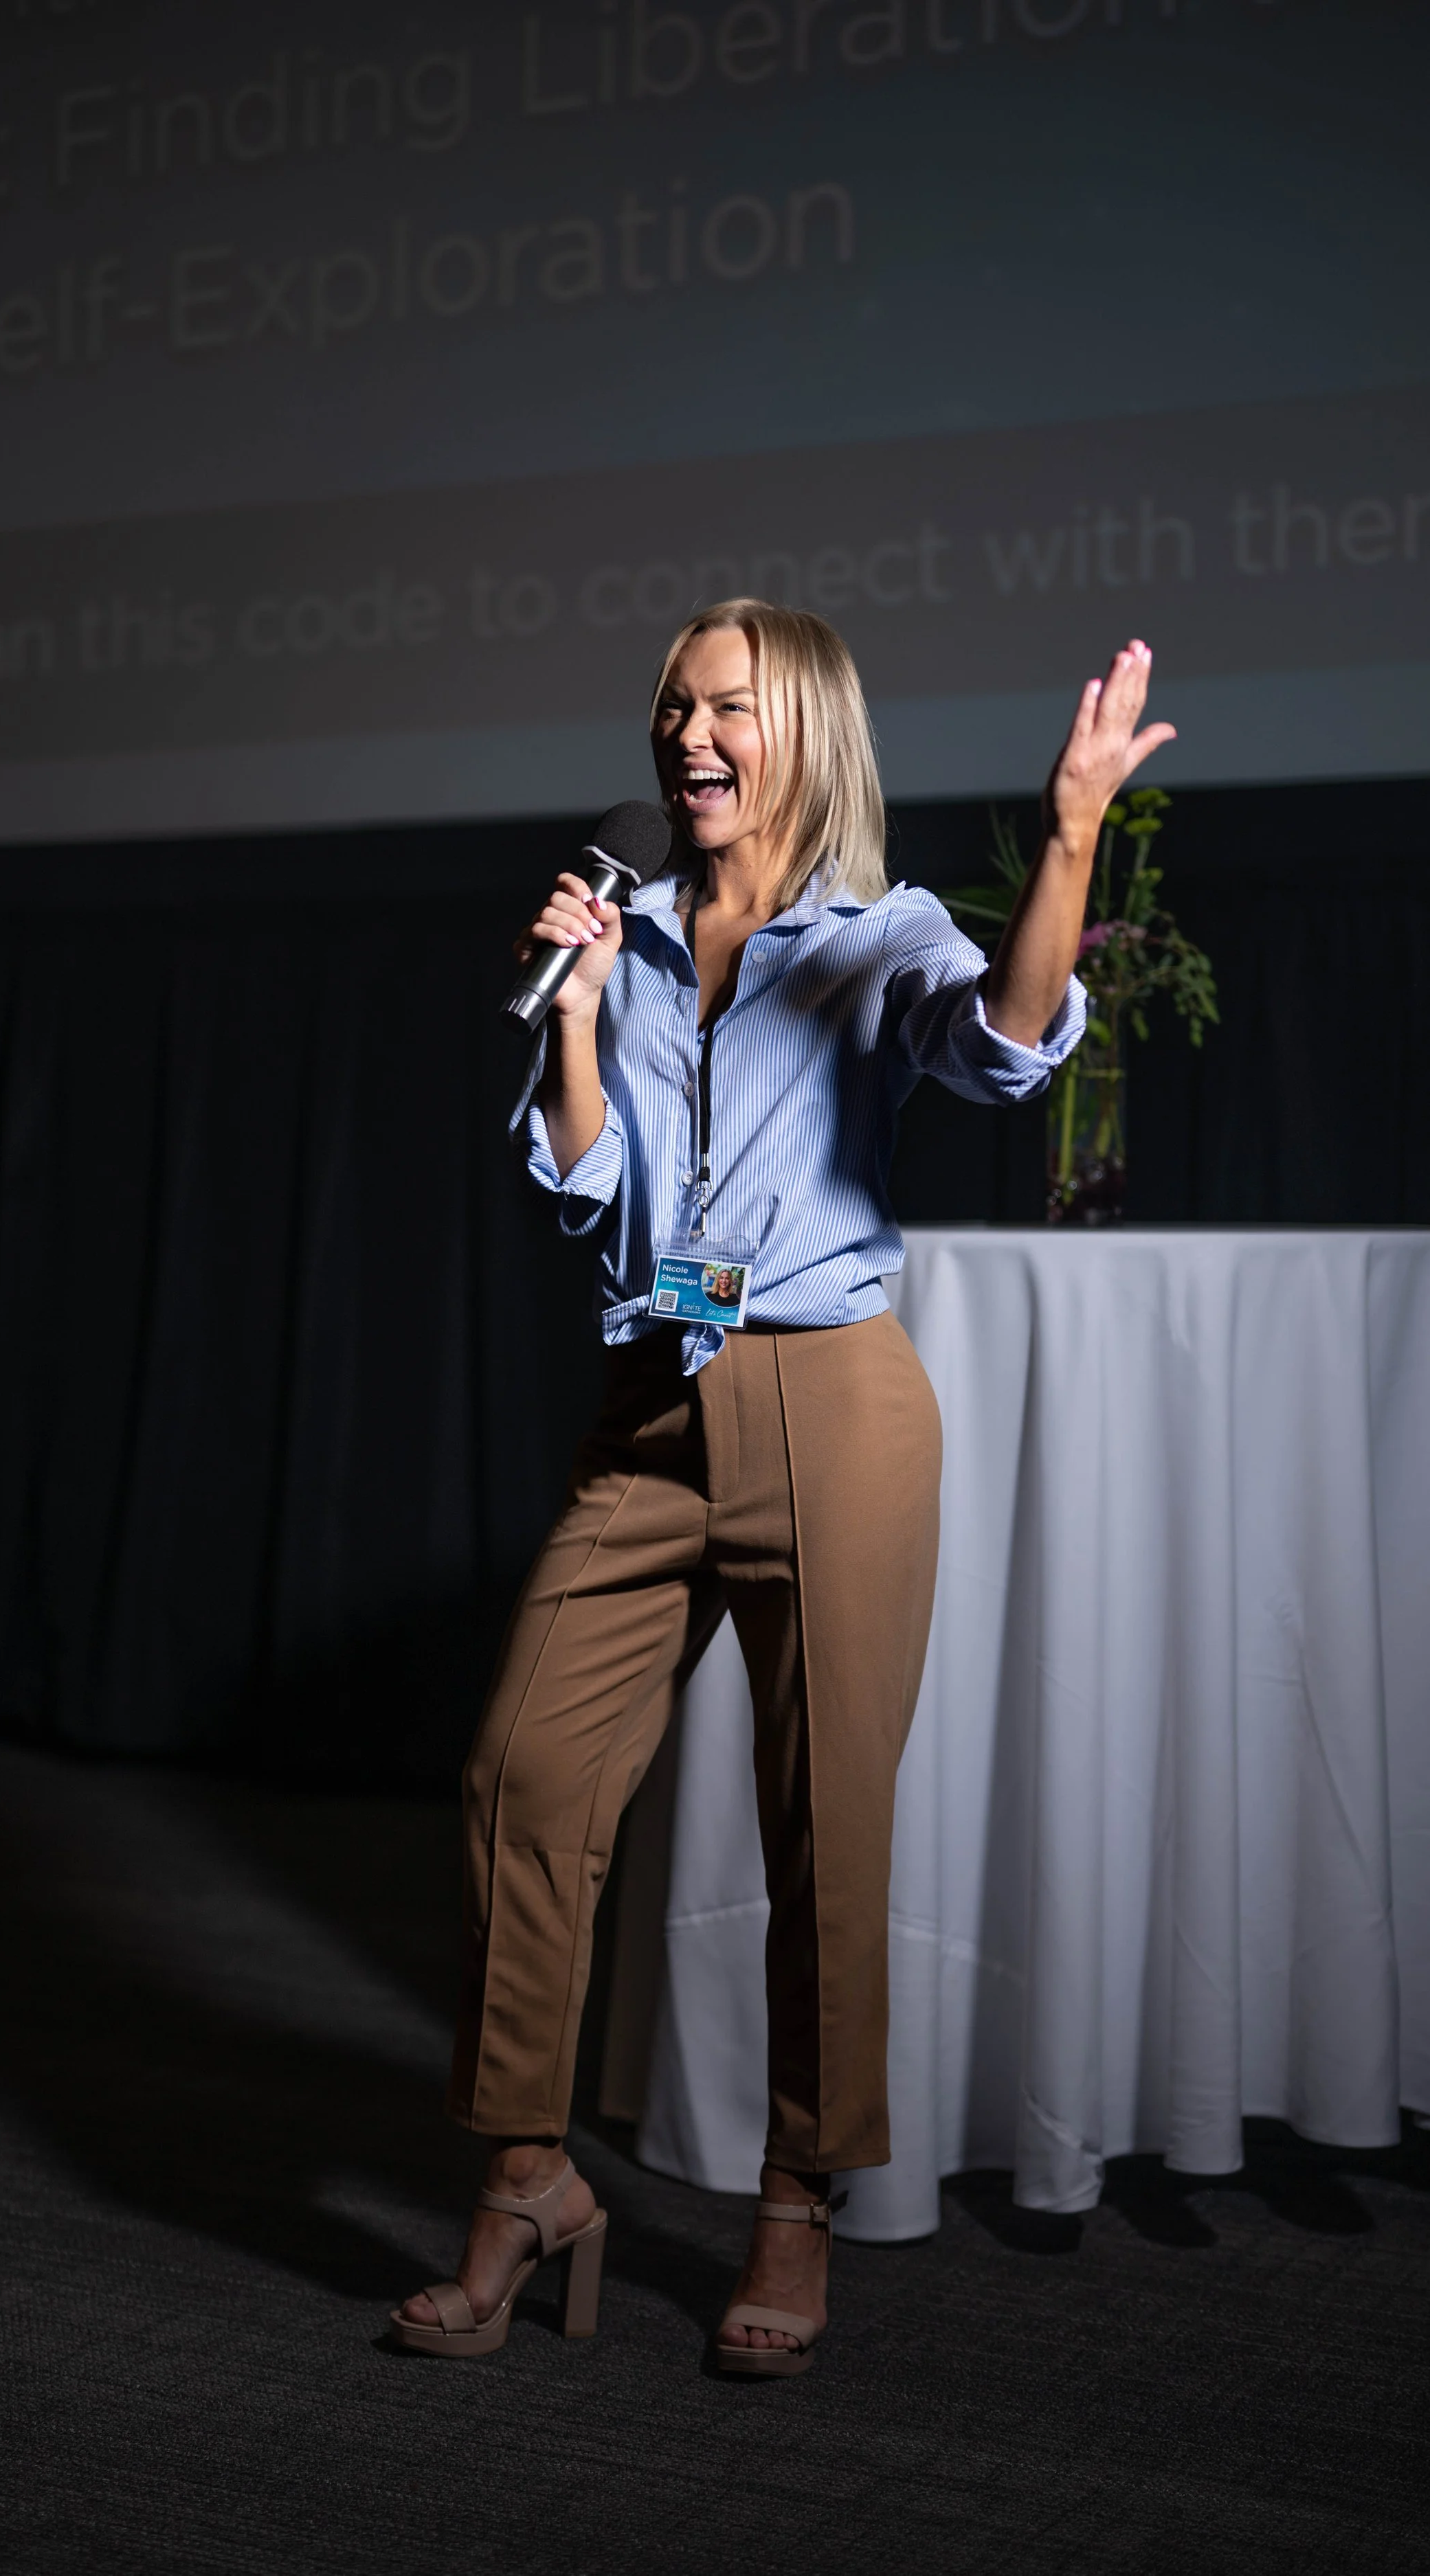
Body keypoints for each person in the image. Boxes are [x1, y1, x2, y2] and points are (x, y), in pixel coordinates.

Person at [392, 601, 1174, 2373]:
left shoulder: (876, 935)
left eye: (728, 707)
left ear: (805, 726)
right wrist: (579, 1012)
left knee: (825, 1827)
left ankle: (797, 2205)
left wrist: (1071, 834)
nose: (690, 737)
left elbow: (1007, 1039)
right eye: (675, 708)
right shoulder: (633, 931)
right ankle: (525, 2177)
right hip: (653, 1401)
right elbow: (583, 1181)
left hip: (832, 1398)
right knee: (523, 1771)